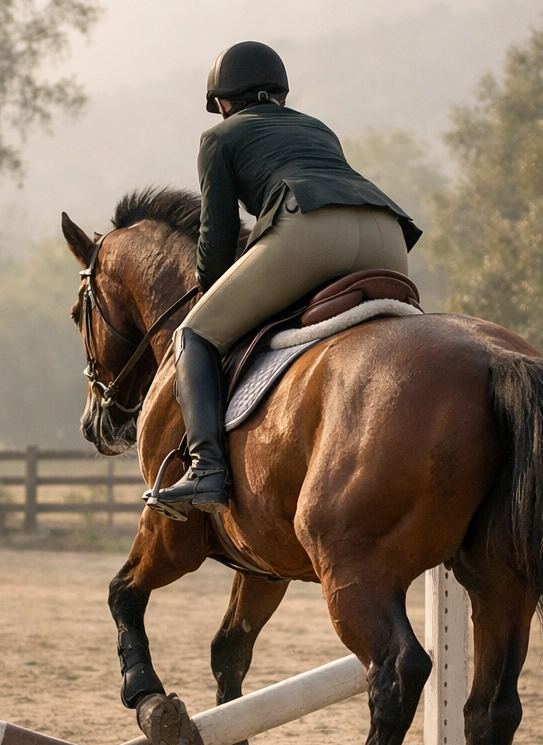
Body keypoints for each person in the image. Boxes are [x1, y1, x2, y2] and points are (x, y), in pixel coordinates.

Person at [147, 41, 422, 518]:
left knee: (194, 334)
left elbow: (218, 237)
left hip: (310, 229)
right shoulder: (317, 127)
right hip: (388, 231)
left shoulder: (219, 137)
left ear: (222, 101)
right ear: (279, 92)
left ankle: (206, 468)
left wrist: (210, 286)